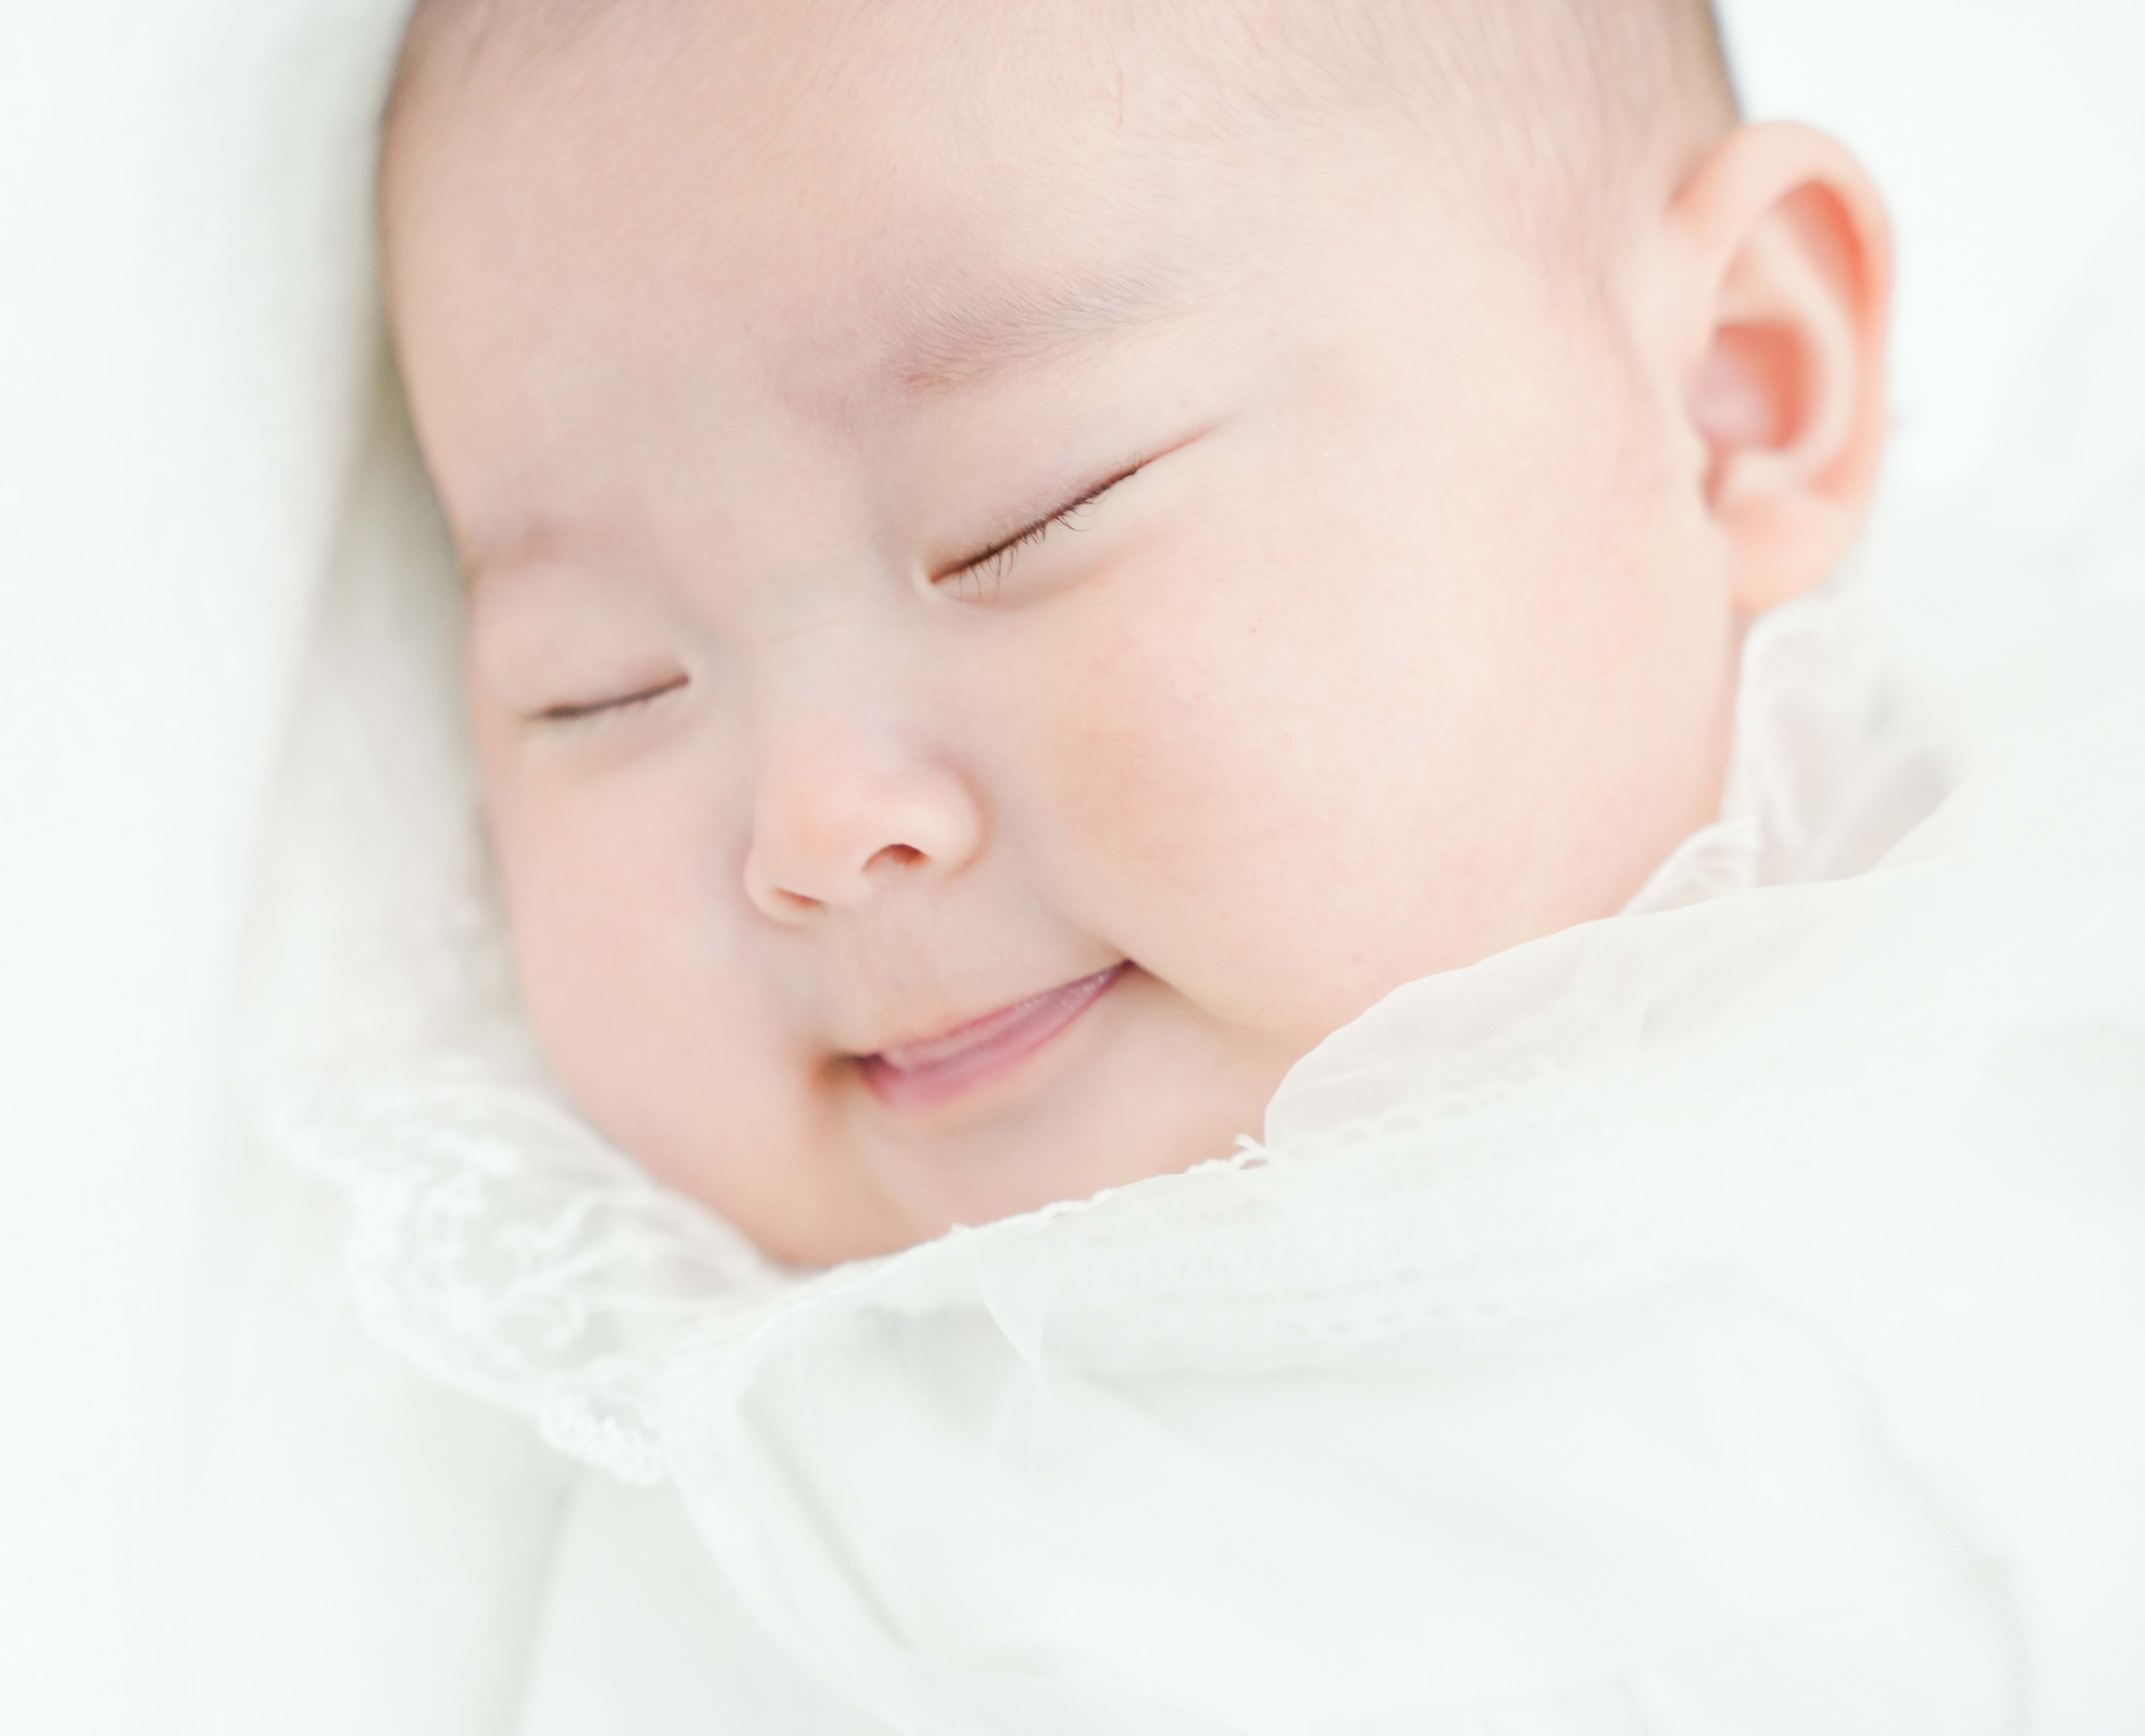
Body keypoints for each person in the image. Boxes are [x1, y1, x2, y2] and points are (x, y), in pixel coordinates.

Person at [295, 0, 2145, 1725]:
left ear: (1735, 392)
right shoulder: (824, 1538)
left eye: (1028, 516)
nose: (815, 829)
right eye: (600, 689)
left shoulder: (2063, 889)